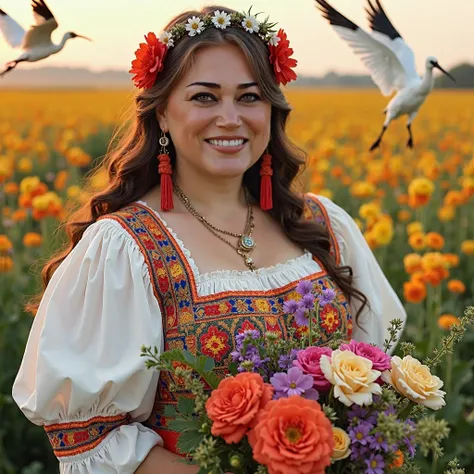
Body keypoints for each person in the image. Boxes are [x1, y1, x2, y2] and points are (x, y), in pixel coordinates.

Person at [12, 5, 407, 474]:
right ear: (161, 112)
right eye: (204, 97)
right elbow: (90, 440)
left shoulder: (325, 226)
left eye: (249, 96)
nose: (229, 118)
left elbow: (385, 378)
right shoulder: (124, 249)